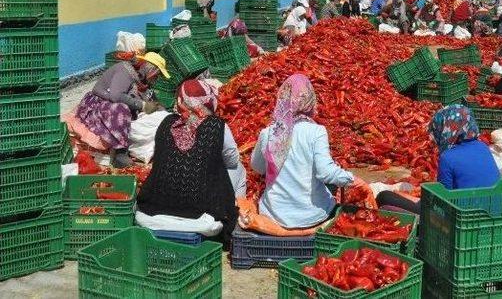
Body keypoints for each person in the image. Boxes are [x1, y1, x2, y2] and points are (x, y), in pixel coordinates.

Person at [136, 80, 245, 246]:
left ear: (180, 101)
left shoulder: (166, 123)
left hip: (149, 216)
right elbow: (232, 160)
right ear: (209, 100)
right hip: (204, 222)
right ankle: (238, 217)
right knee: (239, 167)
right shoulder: (217, 126)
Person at [250, 74, 362, 228]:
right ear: (310, 101)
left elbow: (257, 167)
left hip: (274, 214)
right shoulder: (316, 131)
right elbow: (325, 173)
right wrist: (353, 179)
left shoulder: (268, 133)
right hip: (312, 215)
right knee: (331, 185)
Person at [376, 105, 500, 213]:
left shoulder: (448, 157)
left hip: (460, 216)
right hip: (490, 210)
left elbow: (443, 201)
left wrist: (412, 198)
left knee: (384, 197)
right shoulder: (483, 147)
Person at [76, 52, 169, 167]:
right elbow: (116, 96)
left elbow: (149, 98)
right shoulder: (124, 71)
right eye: (156, 74)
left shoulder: (141, 79)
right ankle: (120, 152)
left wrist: (160, 110)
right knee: (121, 109)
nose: (157, 78)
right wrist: (142, 106)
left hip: (114, 101)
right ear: (150, 69)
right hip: (99, 103)